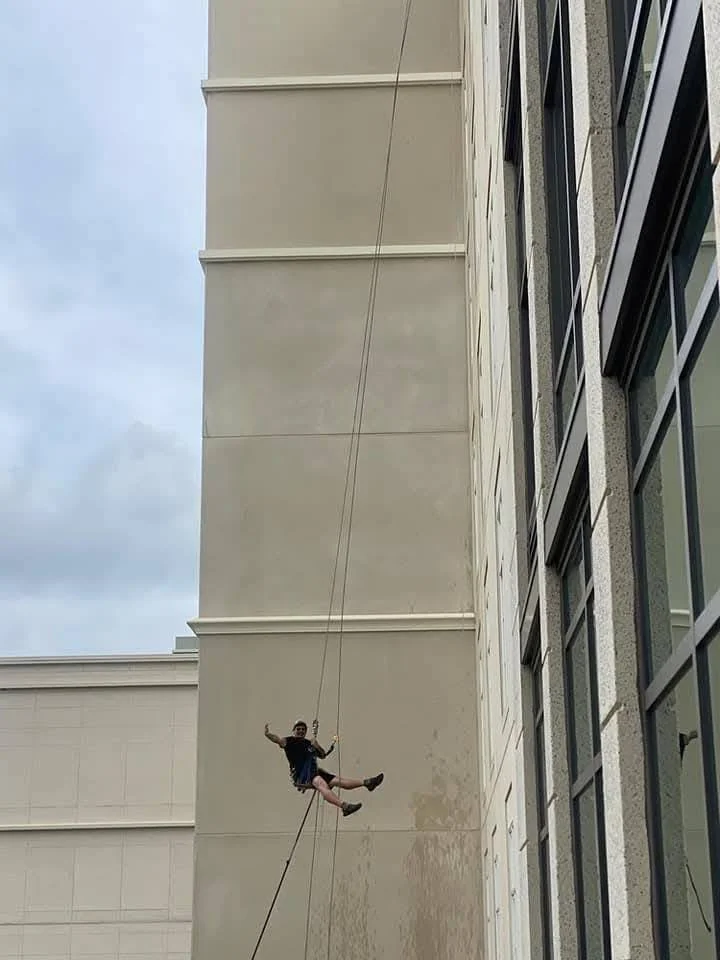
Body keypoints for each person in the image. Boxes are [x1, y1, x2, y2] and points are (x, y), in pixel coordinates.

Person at [264, 719, 384, 817]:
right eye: (298, 729)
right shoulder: (289, 741)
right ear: (293, 731)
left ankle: (367, 783)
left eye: (303, 729)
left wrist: (317, 745)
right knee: (321, 784)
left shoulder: (309, 743)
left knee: (338, 780)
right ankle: (344, 806)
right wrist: (268, 734)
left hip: (314, 772)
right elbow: (277, 740)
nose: (300, 731)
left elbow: (322, 755)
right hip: (302, 775)